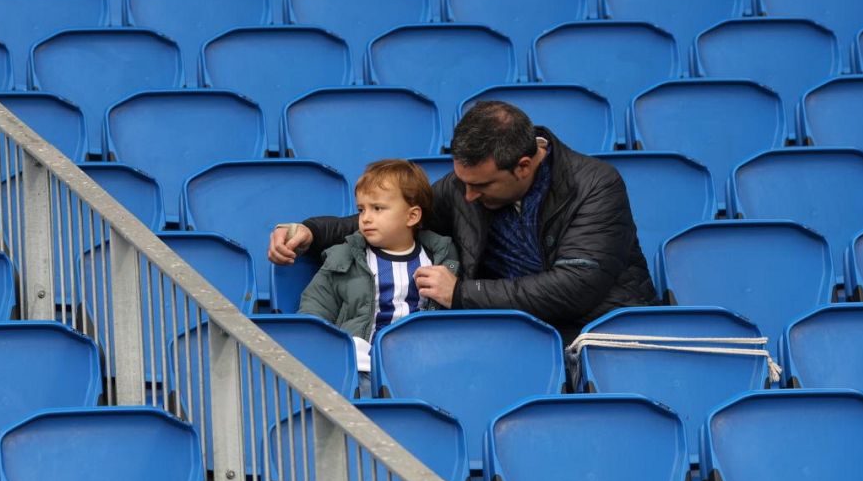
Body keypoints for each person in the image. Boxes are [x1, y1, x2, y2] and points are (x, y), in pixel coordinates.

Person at [269, 101, 657, 349]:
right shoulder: (464, 186)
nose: (467, 196)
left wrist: (463, 294)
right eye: (463, 182)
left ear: (524, 166)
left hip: (594, 335)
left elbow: (574, 289)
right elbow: (398, 218)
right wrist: (313, 232)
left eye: (481, 185)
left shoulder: (596, 185)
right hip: (507, 338)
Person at [294, 159, 459, 382]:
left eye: (377, 208)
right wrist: (328, 351)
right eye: (361, 209)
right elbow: (316, 307)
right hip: (361, 365)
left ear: (412, 216)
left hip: (422, 366)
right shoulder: (345, 257)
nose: (366, 218)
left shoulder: (441, 258)